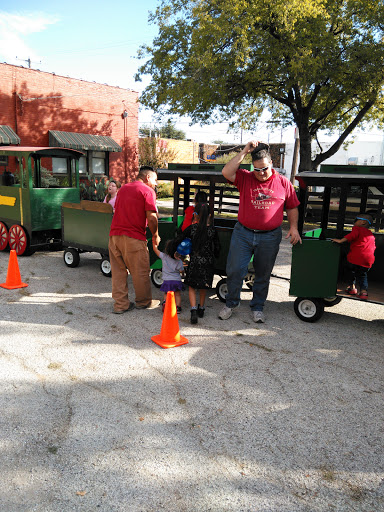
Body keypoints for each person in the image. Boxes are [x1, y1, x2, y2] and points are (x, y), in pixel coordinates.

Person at [218, 141, 301, 324]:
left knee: (263, 273)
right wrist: (245, 151)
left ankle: (257, 307)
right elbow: (226, 172)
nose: (261, 173)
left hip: (270, 236)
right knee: (235, 270)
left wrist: (293, 227)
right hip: (243, 233)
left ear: (271, 163)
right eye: (257, 169)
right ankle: (231, 303)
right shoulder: (245, 177)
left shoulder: (283, 183)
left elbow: (292, 206)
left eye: (264, 168)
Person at [108, 166, 161, 313]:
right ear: (147, 178)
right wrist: (155, 235)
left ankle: (120, 305)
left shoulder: (123, 189)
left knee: (118, 272)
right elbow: (152, 217)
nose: (156, 184)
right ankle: (143, 302)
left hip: (114, 236)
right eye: (155, 180)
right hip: (133, 237)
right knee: (140, 271)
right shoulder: (147, 191)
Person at [178, 202, 220, 324]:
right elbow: (217, 246)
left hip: (195, 260)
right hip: (208, 261)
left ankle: (193, 310)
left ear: (195, 215)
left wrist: (176, 251)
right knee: (203, 286)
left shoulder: (192, 229)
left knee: (192, 286)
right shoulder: (212, 230)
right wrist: (216, 255)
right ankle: (201, 308)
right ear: (210, 215)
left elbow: (179, 238)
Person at [331, 213, 376, 299]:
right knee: (362, 275)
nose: (354, 222)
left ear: (363, 222)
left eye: (356, 220)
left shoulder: (357, 229)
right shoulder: (370, 234)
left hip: (355, 258)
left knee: (350, 271)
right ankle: (363, 292)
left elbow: (351, 236)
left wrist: (340, 240)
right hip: (368, 260)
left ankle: (352, 288)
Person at [152, 238, 185, 313]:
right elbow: (181, 270)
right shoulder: (179, 261)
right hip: (176, 281)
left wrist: (154, 243)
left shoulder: (164, 257)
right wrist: (183, 273)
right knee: (177, 295)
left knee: (166, 293)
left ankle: (166, 303)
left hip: (167, 280)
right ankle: (178, 307)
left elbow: (155, 250)